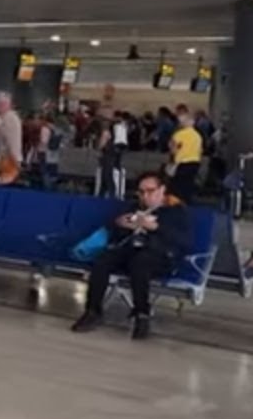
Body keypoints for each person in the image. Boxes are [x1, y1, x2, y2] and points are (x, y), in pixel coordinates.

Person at [72, 171, 191, 340]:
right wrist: (121, 224)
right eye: (141, 192)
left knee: (140, 265)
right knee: (103, 261)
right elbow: (118, 235)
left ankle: (142, 314)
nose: (145, 196)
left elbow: (182, 241)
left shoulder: (176, 211)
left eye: (150, 191)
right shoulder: (136, 207)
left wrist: (156, 228)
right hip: (132, 249)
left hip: (161, 255)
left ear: (162, 190)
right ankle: (93, 310)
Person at [168, 108, 203, 204]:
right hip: (195, 162)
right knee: (188, 185)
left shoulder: (179, 134)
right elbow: (200, 150)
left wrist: (171, 162)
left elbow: (173, 150)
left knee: (177, 187)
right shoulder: (198, 135)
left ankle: (176, 205)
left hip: (182, 163)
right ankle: (187, 204)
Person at [0, 92, 22, 184]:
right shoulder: (5, 117)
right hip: (6, 159)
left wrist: (15, 161)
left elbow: (10, 140)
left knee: (3, 187)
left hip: (9, 160)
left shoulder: (9, 118)